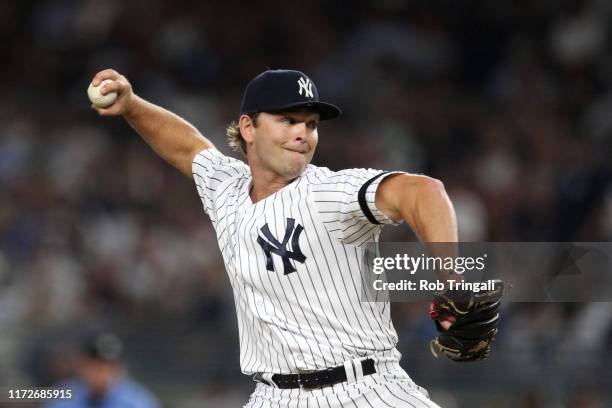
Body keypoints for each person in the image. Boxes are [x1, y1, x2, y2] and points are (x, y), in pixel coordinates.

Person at [89, 68, 460, 407]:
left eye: (311, 124)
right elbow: (186, 146)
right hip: (273, 396)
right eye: (287, 120)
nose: (303, 133)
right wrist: (132, 106)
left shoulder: (330, 192)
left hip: (366, 390)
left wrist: (454, 282)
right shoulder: (227, 190)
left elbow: (422, 192)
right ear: (248, 127)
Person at [44, 332, 161, 408]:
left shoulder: (137, 401)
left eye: (108, 367)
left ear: (120, 369)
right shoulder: (64, 394)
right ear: (82, 366)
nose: (101, 373)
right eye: (95, 365)